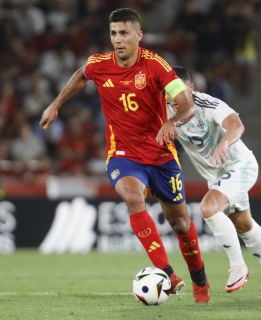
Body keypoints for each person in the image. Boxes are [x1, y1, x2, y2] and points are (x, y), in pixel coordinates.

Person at [40, 8, 210, 303]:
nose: (118, 40)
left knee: (181, 224)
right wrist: (55, 105)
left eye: (124, 33)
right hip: (123, 154)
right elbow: (80, 76)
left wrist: (172, 122)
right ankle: (167, 274)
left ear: (138, 35)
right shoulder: (100, 64)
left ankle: (200, 282)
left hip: (160, 155)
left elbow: (186, 104)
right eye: (113, 33)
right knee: (132, 196)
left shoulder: (156, 66)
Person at [167, 66, 261, 298]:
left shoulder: (208, 104)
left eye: (178, 91)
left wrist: (223, 143)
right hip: (218, 176)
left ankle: (238, 267)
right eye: (168, 92)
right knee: (243, 224)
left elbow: (236, 125)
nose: (173, 98)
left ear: (191, 88)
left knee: (208, 208)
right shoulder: (165, 111)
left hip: (239, 165)